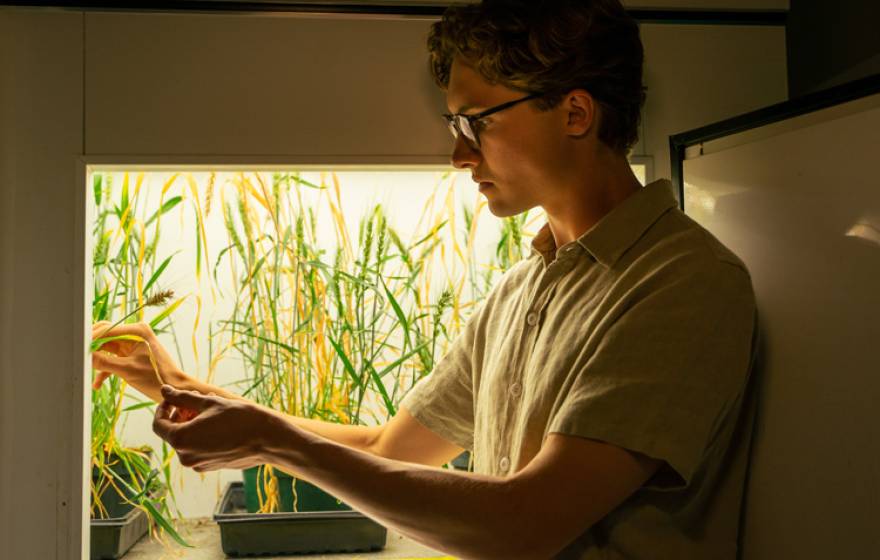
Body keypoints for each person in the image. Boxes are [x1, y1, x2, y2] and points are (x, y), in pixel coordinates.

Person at [91, 1, 758, 558]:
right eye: (454, 124)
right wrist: (184, 388)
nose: (459, 153)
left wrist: (270, 442)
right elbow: (390, 449)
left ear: (576, 113)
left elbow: (525, 524)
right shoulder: (523, 289)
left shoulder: (683, 283)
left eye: (477, 122)